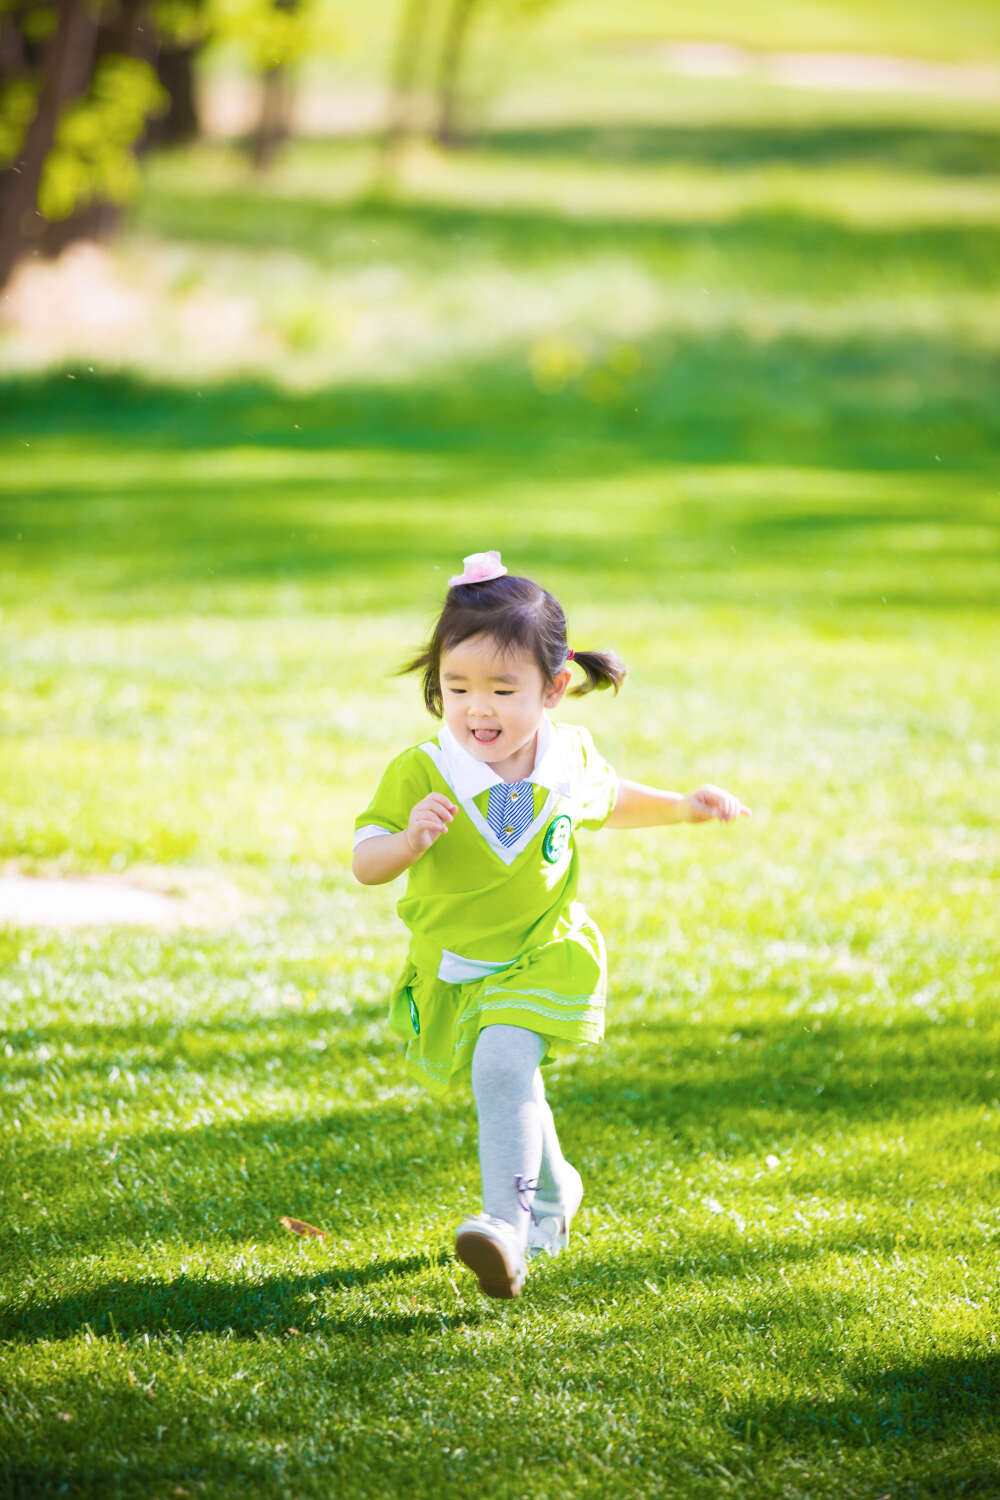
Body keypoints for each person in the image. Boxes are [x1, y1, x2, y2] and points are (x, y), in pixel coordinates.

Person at [352, 550, 750, 1300]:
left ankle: (506, 1228)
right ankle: (557, 1188)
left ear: (555, 686)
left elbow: (610, 799)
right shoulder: (423, 771)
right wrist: (405, 841)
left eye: (504, 688)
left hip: (546, 950)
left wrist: (684, 807)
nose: (479, 707)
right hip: (457, 961)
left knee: (502, 1067)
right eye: (457, 686)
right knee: (513, 1079)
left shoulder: (564, 759)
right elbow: (364, 862)